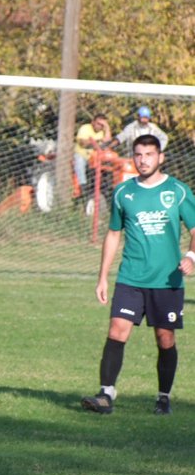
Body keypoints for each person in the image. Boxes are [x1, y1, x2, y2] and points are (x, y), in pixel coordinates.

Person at [81, 135, 195, 416]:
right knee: (116, 330)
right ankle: (106, 394)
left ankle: (163, 397)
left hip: (167, 281)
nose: (143, 160)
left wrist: (191, 257)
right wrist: (102, 277)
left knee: (165, 337)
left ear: (161, 157)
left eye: (149, 154)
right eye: (138, 154)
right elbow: (113, 234)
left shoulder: (177, 191)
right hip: (130, 277)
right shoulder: (123, 192)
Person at [75, 113, 111, 196]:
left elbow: (108, 141)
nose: (100, 126)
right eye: (98, 124)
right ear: (93, 122)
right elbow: (82, 143)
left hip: (96, 158)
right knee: (79, 161)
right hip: (83, 155)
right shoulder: (85, 128)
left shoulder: (102, 132)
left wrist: (107, 128)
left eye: (102, 125)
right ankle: (83, 185)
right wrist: (97, 141)